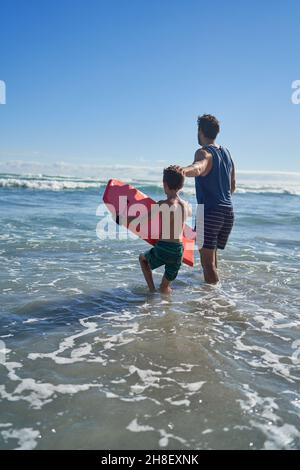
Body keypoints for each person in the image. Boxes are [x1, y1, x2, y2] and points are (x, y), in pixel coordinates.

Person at [177, 114, 236, 284]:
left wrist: (182, 171)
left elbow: (198, 167)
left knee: (207, 265)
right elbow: (232, 185)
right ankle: (214, 299)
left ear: (200, 130)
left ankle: (215, 303)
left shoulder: (204, 152)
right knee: (212, 258)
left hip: (209, 211)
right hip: (227, 212)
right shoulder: (227, 153)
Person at [138, 166, 191, 294]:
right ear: (181, 186)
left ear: (165, 184)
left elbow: (143, 221)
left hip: (163, 248)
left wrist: (122, 217)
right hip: (178, 251)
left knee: (142, 259)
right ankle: (167, 307)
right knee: (165, 287)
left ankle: (151, 291)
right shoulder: (186, 206)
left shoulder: (162, 204)